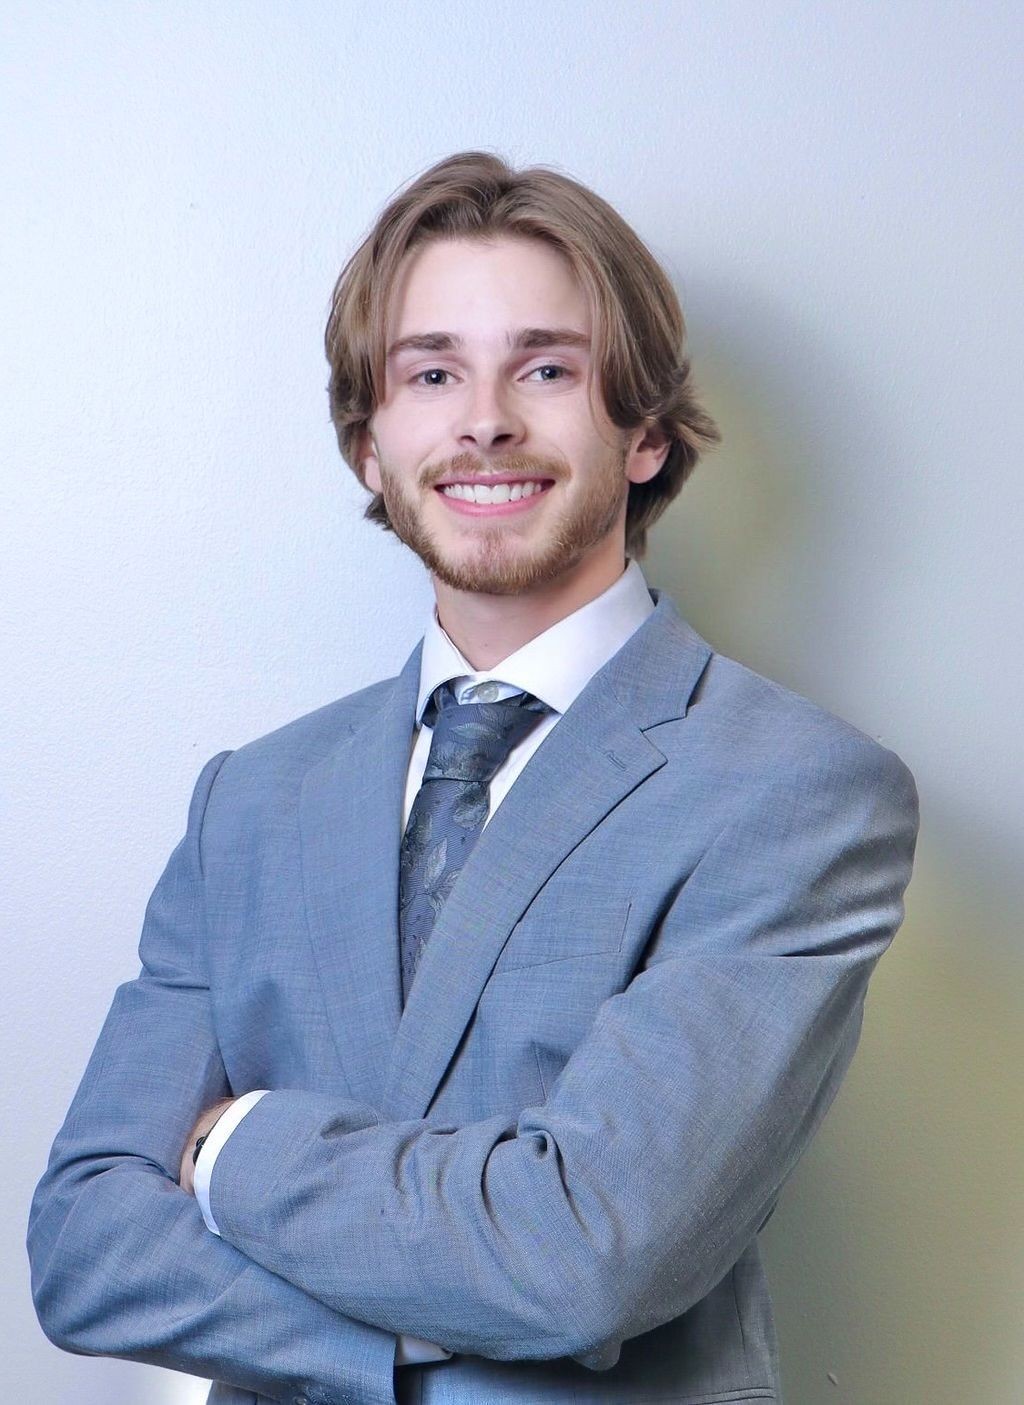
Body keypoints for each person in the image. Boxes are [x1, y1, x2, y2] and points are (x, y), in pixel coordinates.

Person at [28, 150, 919, 1405]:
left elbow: (585, 1258)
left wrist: (232, 1150)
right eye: (431, 372)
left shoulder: (799, 793)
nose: (484, 418)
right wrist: (414, 1325)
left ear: (646, 432)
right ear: (367, 444)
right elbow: (84, 1251)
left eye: (545, 369)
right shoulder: (250, 800)